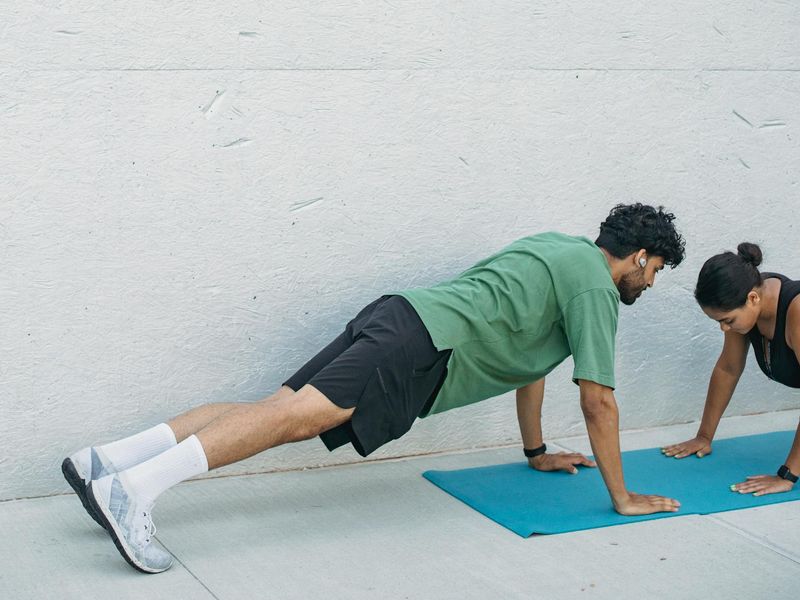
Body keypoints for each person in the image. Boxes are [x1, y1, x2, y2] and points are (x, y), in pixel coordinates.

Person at [62, 203, 685, 574]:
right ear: (636, 256)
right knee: (293, 419)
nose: (650, 284)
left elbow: (532, 367)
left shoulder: (560, 248)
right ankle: (133, 493)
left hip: (400, 315)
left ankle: (108, 462)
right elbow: (598, 399)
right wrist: (622, 495)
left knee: (279, 408)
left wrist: (534, 450)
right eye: (655, 271)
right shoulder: (596, 290)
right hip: (420, 346)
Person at [662, 243, 800, 496]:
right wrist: (704, 436)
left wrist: (788, 474)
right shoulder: (747, 304)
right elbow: (728, 368)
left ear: (753, 299)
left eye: (727, 320)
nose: (724, 329)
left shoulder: (796, 311)